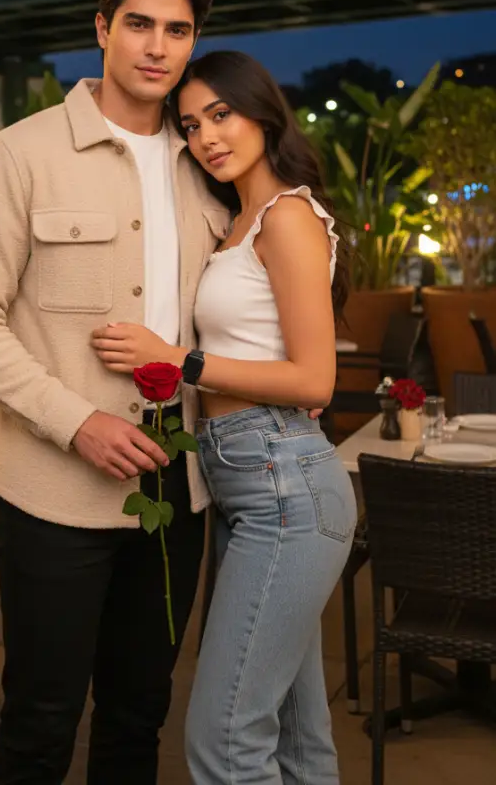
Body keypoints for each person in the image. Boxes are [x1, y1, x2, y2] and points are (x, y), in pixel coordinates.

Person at [0, 0, 232, 785]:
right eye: (139, 23)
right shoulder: (18, 156)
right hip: (53, 488)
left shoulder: (208, 169)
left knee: (139, 716)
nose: (157, 47)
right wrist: (77, 422)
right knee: (41, 721)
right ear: (102, 28)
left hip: (176, 487)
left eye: (178, 30)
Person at [92, 49, 358, 784]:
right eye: (190, 125)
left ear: (263, 113)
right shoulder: (236, 222)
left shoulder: (288, 216)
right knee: (298, 738)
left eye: (222, 114)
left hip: (284, 483)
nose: (207, 136)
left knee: (225, 739)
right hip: (246, 480)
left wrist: (177, 360)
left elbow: (315, 378)